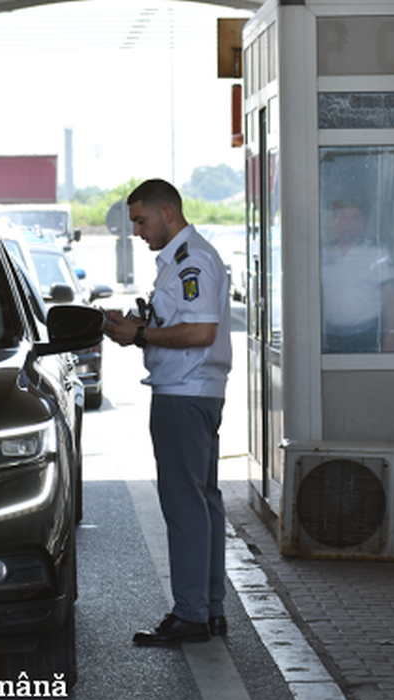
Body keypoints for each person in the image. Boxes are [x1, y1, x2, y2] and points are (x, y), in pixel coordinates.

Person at [105, 179, 233, 646]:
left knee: (185, 504)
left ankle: (191, 614)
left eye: (141, 220)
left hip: (185, 392)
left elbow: (199, 333)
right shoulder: (182, 260)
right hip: (195, 391)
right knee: (203, 502)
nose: (137, 230)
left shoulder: (190, 261)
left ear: (168, 213)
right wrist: (139, 326)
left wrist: (138, 335)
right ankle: (209, 609)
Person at [320, 201, 394, 353]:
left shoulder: (377, 253)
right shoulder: (324, 254)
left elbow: (392, 297)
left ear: (362, 222)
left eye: (355, 217)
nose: (350, 223)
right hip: (331, 337)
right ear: (334, 221)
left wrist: (391, 335)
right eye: (344, 217)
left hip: (366, 336)